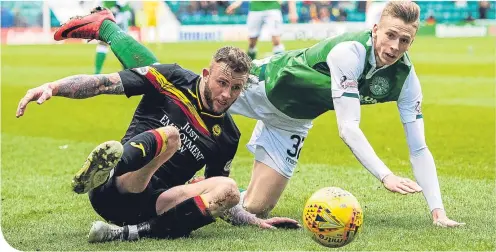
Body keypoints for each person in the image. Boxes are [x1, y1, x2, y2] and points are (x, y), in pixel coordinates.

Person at [50, 1, 464, 228]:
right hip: (259, 85)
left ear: (413, 41)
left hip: (292, 121)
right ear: (376, 29)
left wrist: (437, 211)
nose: (394, 45)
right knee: (167, 84)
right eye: (389, 34)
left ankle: (201, 191)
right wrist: (385, 175)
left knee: (257, 208)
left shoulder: (406, 80)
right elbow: (348, 127)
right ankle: (106, 25)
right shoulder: (348, 52)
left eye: (404, 40)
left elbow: (419, 146)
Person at [16, 12, 299, 242]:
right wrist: (52, 87)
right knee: (171, 136)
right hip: (116, 188)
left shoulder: (228, 135)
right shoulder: (172, 78)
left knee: (229, 188)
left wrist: (255, 220)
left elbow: (215, 195)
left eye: (236, 88)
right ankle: (104, 171)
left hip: (152, 208)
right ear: (206, 74)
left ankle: (127, 234)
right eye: (221, 83)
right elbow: (104, 83)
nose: (227, 94)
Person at [225, 0, 298, 59]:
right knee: (252, 42)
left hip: (273, 8)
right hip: (255, 9)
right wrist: (235, 4)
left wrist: (293, 11)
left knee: (276, 39)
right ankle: (250, 64)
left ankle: (280, 65)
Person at [94, 0, 132, 74]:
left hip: (120, 14)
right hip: (109, 13)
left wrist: (117, 6)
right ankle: (97, 73)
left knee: (122, 44)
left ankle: (126, 70)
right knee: (104, 43)